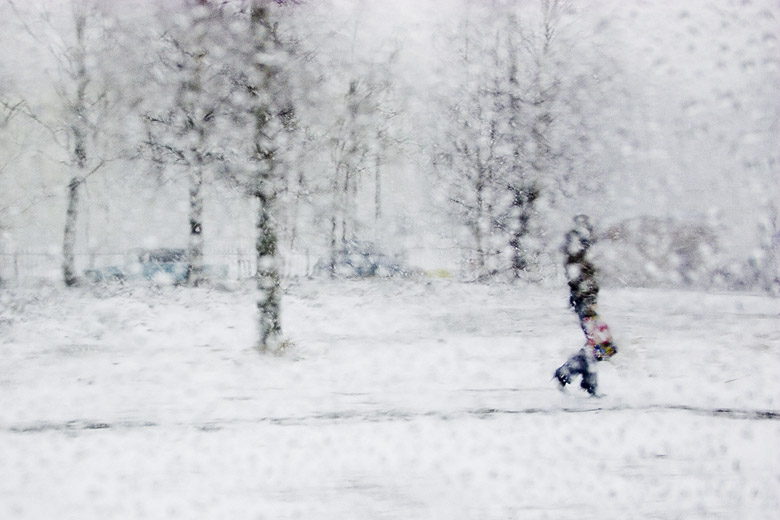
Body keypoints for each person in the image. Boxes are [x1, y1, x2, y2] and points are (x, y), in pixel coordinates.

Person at [554, 215, 617, 395]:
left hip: (587, 302)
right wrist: (587, 301)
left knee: (600, 345)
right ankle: (571, 373)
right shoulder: (578, 257)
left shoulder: (580, 256)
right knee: (601, 345)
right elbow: (579, 281)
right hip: (585, 304)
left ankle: (583, 379)